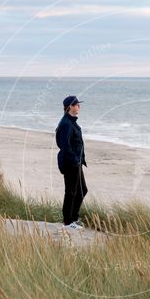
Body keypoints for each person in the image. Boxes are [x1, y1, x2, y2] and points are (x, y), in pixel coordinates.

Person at [55, 95, 88, 229]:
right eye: (76, 105)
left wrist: (80, 159)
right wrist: (74, 159)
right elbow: (64, 145)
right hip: (70, 163)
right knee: (71, 191)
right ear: (70, 107)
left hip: (76, 162)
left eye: (79, 104)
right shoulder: (66, 124)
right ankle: (68, 222)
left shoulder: (71, 121)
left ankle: (73, 218)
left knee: (82, 190)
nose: (79, 106)